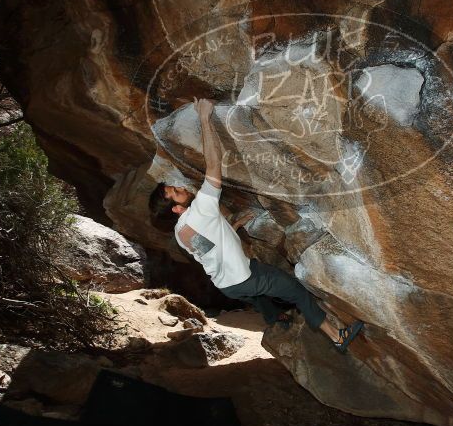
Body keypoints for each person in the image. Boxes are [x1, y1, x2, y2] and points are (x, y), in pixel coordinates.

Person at [148, 98, 364, 353]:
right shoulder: (199, 210)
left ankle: (275, 318)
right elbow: (214, 165)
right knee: (294, 289)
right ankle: (336, 336)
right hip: (244, 277)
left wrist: (235, 224)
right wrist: (205, 119)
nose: (181, 187)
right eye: (175, 191)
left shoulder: (181, 231)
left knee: (258, 295)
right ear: (176, 208)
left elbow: (209, 245)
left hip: (226, 284)